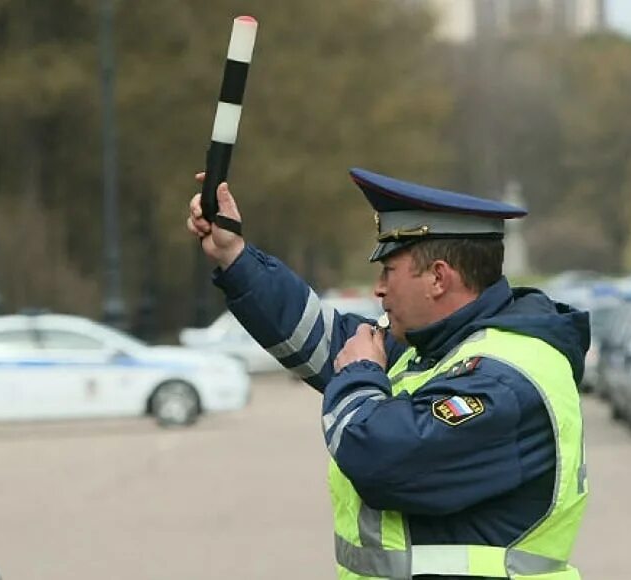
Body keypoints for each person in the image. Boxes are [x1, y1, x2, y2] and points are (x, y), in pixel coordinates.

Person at [186, 168, 590, 580]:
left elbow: (381, 459)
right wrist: (234, 256)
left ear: (438, 278)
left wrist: (361, 373)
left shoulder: (503, 379)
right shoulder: (439, 348)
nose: (379, 289)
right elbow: (319, 336)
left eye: (389, 271)